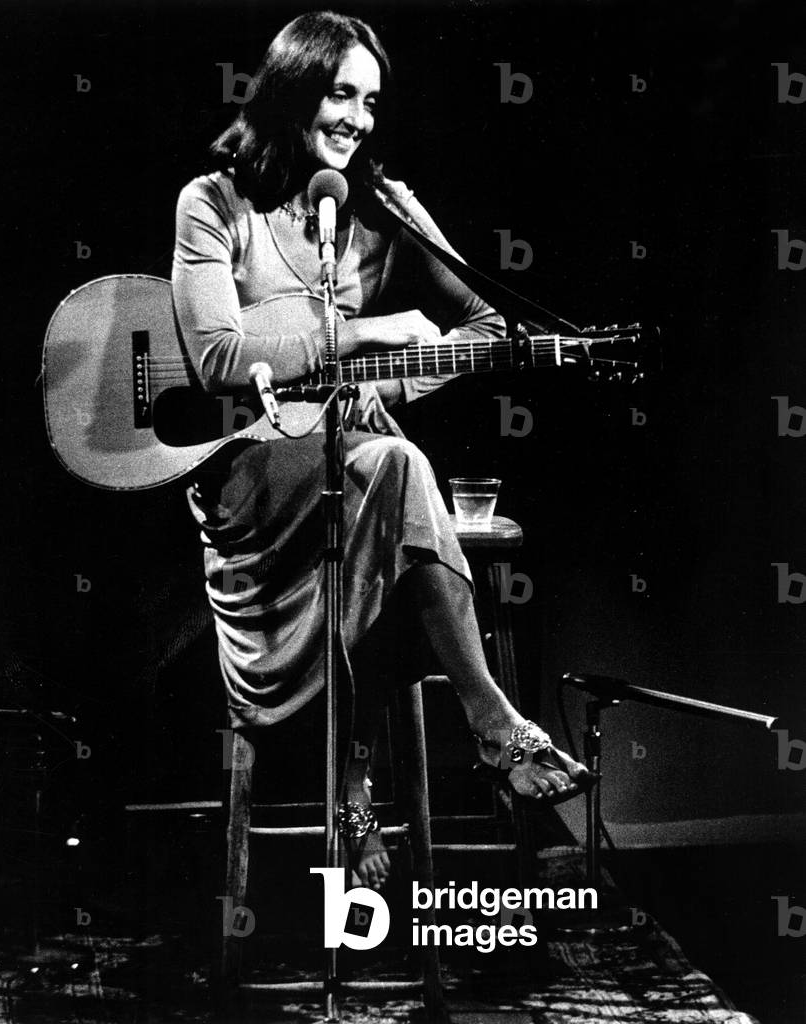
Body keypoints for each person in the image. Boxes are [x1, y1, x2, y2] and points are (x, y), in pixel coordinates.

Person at [172, 9, 590, 892]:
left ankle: (357, 782)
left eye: (369, 100)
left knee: (386, 467)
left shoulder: (375, 209)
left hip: (351, 454)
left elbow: (485, 328)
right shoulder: (212, 203)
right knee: (397, 471)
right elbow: (214, 359)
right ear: (293, 90)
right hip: (247, 471)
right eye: (339, 93)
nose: (358, 117)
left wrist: (388, 383)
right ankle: (489, 724)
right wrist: (358, 336)